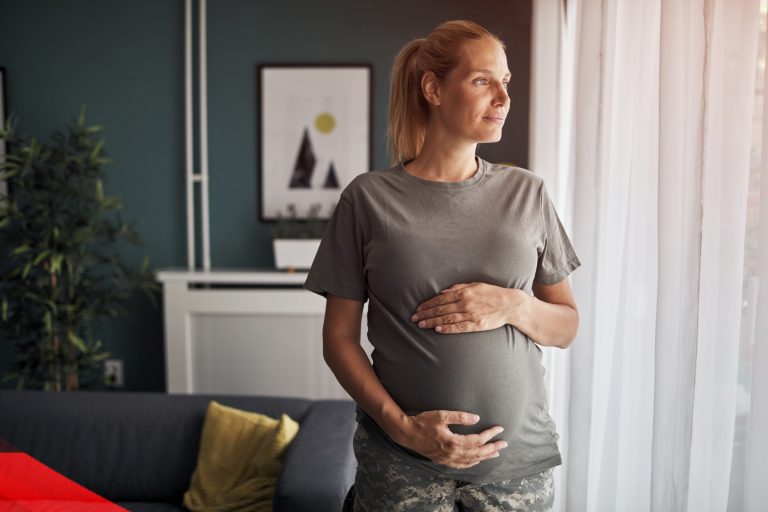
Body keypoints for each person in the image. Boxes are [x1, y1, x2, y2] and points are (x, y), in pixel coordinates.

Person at [304, 19, 581, 512]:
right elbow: (339, 339)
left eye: (506, 83)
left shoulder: (528, 193)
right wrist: (404, 429)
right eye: (482, 81)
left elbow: (565, 326)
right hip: (402, 465)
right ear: (433, 88)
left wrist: (513, 304)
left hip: (517, 468)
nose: (503, 97)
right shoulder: (368, 199)